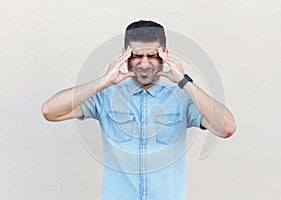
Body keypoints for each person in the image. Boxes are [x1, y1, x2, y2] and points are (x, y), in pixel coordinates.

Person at [41, 20, 236, 200]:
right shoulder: (105, 96)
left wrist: (183, 81)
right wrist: (105, 81)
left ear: (164, 55)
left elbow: (226, 127)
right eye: (136, 56)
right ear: (124, 54)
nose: (144, 64)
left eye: (152, 55)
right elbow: (50, 111)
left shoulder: (183, 98)